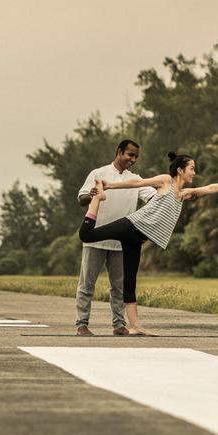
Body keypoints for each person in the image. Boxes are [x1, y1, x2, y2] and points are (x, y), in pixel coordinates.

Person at [81, 153, 218, 337]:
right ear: (180, 170)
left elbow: (211, 188)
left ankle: (135, 326)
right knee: (87, 235)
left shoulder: (183, 194)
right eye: (192, 168)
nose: (194, 173)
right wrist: (110, 186)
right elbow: (137, 183)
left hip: (137, 239)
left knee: (130, 282)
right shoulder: (166, 181)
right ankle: (97, 199)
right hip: (130, 226)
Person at [74, 139, 145, 336]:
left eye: (136, 156)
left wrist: (178, 193)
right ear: (119, 152)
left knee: (119, 288)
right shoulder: (99, 173)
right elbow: (81, 199)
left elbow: (154, 194)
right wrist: (93, 194)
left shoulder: (135, 179)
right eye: (130, 154)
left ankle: (119, 325)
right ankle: (82, 324)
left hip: (120, 243)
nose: (133, 159)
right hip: (96, 238)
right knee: (87, 284)